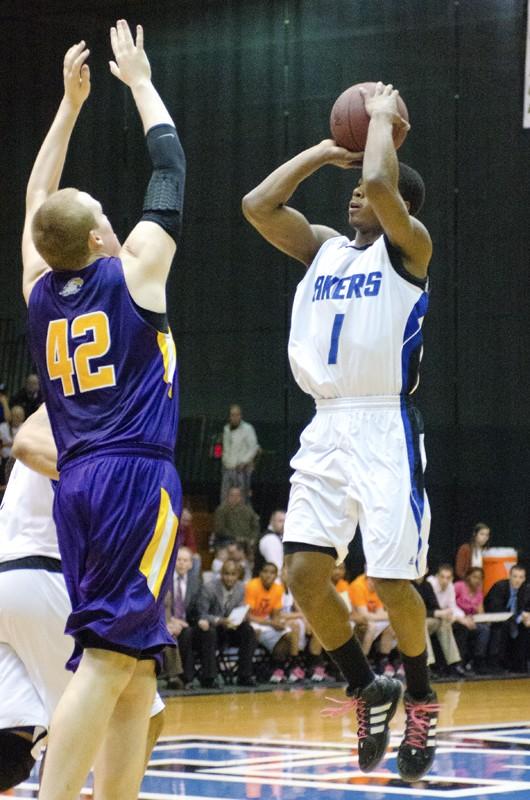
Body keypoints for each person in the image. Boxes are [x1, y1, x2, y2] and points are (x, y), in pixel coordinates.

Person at [243, 80, 438, 780]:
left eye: (362, 187)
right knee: (301, 571)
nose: (354, 193)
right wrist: (321, 154)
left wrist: (382, 119)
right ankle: (367, 687)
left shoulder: (408, 249)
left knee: (390, 579)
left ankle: (419, 697)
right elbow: (257, 206)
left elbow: (384, 185)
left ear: (400, 207)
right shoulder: (324, 249)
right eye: (350, 189)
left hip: (384, 423)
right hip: (327, 425)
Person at [21, 21, 185, 800]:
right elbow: (171, 168)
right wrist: (139, 81)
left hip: (79, 486)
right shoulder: (135, 275)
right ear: (97, 235)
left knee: (133, 665)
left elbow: (34, 205)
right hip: (131, 479)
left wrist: (68, 107)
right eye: (106, 219)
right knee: (113, 660)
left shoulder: (38, 292)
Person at [0, 410, 164, 794]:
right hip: (46, 574)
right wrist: (115, 480)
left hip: (14, 580)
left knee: (11, 748)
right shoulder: (87, 400)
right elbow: (25, 445)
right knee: (142, 713)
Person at [197, 559, 257, 686]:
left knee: (248, 630)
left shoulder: (241, 588)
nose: (229, 578)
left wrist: (242, 616)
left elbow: (240, 608)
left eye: (233, 574)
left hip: (230, 628)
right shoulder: (209, 588)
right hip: (212, 628)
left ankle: (244, 675)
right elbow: (200, 614)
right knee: (210, 633)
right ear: (221, 574)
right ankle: (209, 678)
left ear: (238, 575)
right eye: (226, 574)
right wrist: (219, 620)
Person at [245, 562, 297, 683]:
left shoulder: (278, 589)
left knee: (289, 633)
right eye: (265, 572)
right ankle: (252, 670)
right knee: (254, 632)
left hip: (267, 621)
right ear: (260, 573)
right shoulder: (252, 586)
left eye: (272, 572)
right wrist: (271, 623)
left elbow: (276, 615)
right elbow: (248, 616)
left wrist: (279, 623)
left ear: (276, 575)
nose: (268, 575)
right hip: (253, 621)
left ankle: (278, 668)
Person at [164, 547, 203, 687]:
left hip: (187, 623)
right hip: (167, 622)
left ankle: (189, 678)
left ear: (191, 564)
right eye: (178, 560)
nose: (181, 563)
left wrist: (199, 620)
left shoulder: (196, 582)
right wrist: (171, 621)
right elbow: (162, 607)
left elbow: (198, 607)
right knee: (176, 635)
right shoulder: (165, 579)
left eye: (185, 560)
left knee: (190, 633)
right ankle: (181, 677)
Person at [413, 574, 464, 677]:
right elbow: (412, 611)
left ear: (426, 570)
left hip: (426, 619)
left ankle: (453, 663)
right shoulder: (408, 586)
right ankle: (427, 665)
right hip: (411, 621)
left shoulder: (427, 585)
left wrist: (444, 614)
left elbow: (434, 606)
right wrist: (436, 613)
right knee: (421, 624)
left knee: (444, 623)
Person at [484, 564, 530, 673]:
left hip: (514, 619)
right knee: (503, 627)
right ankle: (496, 663)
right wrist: (519, 617)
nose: (517, 580)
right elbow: (496, 609)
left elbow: (526, 607)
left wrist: (527, 616)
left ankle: (520, 664)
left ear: (524, 578)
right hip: (495, 619)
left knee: (526, 628)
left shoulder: (526, 589)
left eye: (520, 577)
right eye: (515, 576)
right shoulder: (499, 587)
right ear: (509, 576)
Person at [454, 567, 490, 672]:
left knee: (485, 629)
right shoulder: (459, 586)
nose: (477, 580)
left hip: (471, 620)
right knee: (463, 628)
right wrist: (464, 618)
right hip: (456, 619)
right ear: (468, 577)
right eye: (474, 577)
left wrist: (486, 619)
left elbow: (480, 611)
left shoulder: (479, 593)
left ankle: (477, 660)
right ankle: (459, 663)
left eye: (479, 578)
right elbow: (449, 604)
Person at [221, 404, 259, 502]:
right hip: (228, 467)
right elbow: (226, 448)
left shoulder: (248, 429)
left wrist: (244, 461)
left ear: (240, 416)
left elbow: (253, 448)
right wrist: (225, 461)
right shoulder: (226, 429)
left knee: (242, 497)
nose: (235, 417)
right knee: (225, 495)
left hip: (242, 469)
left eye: (237, 415)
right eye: (232, 415)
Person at [254, 509, 286, 575]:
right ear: (272, 521)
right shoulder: (271, 539)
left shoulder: (278, 537)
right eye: (280, 521)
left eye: (285, 521)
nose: (284, 525)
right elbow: (276, 568)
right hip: (266, 583)